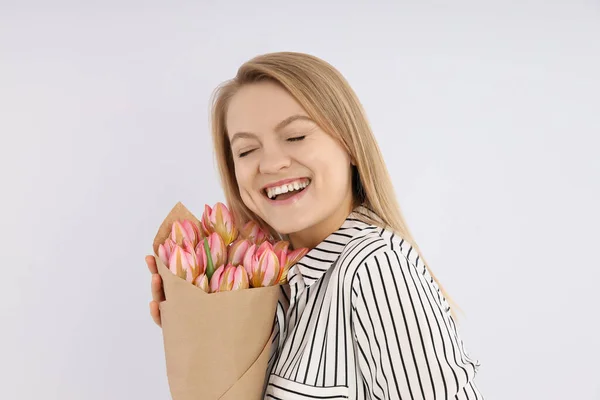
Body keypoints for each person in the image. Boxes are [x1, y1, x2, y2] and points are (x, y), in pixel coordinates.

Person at [145, 51, 483, 399]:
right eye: (247, 151)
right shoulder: (269, 290)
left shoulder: (376, 268)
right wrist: (201, 335)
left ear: (350, 145)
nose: (272, 163)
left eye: (295, 137)